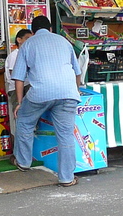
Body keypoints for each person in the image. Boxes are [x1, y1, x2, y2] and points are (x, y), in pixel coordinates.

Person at [10, 16, 83, 187]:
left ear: (33, 31)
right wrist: (76, 90)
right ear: (51, 29)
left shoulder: (28, 44)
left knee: (24, 120)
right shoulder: (64, 42)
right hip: (68, 93)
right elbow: (77, 72)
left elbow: (19, 78)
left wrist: (20, 103)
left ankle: (23, 162)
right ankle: (66, 178)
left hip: (40, 94)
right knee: (65, 135)